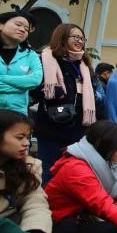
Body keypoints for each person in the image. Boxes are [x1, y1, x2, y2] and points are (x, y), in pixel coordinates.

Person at [33, 23, 96, 184]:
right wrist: (55, 91)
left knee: (71, 170)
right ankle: (44, 198)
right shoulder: (46, 59)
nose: (80, 41)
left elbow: (94, 91)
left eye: (82, 38)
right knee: (48, 169)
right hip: (51, 126)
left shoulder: (84, 64)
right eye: (75, 37)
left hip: (77, 128)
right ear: (62, 37)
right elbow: (34, 89)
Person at [0, 110, 52, 233]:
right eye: (20, 137)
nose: (26, 143)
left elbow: (35, 202)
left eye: (28, 137)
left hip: (17, 229)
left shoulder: (28, 166)